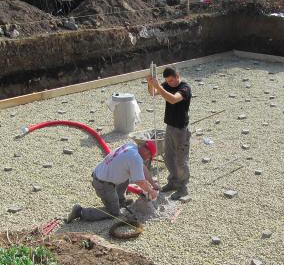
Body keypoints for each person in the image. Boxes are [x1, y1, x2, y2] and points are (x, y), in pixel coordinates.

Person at [66, 141, 159, 223]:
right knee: (113, 213)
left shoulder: (131, 146)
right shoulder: (136, 158)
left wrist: (153, 183)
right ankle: (80, 212)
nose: (148, 158)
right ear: (147, 151)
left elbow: (143, 169)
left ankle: (120, 201)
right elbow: (140, 181)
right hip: (103, 184)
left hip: (102, 175)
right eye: (150, 156)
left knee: (126, 173)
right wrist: (151, 192)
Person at [147, 66, 192, 200]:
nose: (169, 83)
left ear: (178, 76)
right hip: (170, 127)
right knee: (169, 157)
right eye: (167, 81)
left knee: (181, 160)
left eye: (172, 80)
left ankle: (183, 187)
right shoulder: (166, 84)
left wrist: (159, 87)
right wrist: (150, 84)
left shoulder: (185, 88)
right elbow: (153, 93)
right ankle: (173, 182)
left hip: (181, 129)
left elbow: (173, 99)